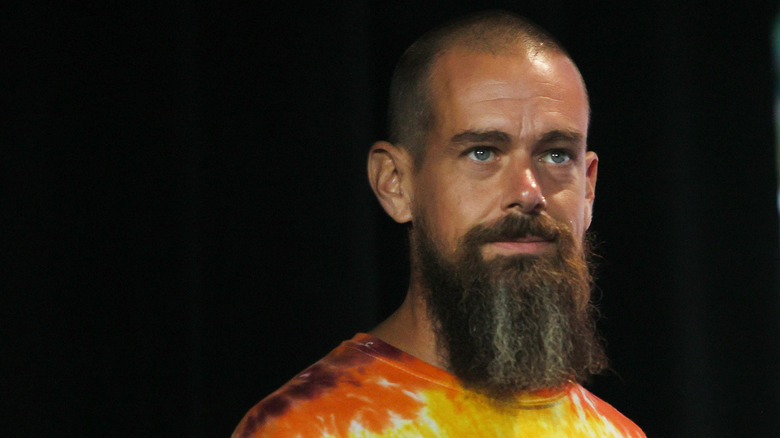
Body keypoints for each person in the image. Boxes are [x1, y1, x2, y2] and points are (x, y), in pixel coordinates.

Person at [233, 10, 645, 437]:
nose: (528, 192)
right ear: (395, 184)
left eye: (557, 154)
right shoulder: (307, 427)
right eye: (482, 152)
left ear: (589, 188)